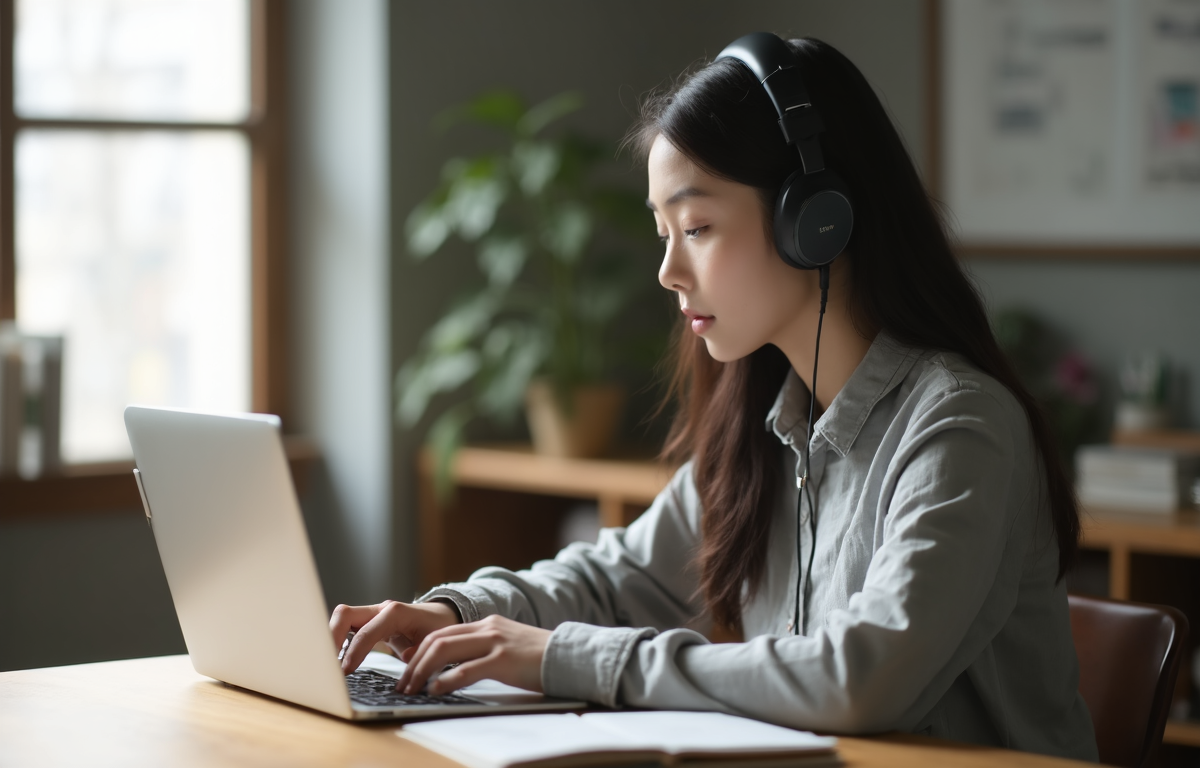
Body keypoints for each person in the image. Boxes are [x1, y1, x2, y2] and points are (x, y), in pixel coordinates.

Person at [331, 34, 1098, 760]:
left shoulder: (961, 427)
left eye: (696, 226)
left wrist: (561, 657)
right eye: (662, 231)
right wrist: (456, 612)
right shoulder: (768, 425)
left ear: (816, 223)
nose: (668, 271)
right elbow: (616, 580)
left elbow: (860, 678)